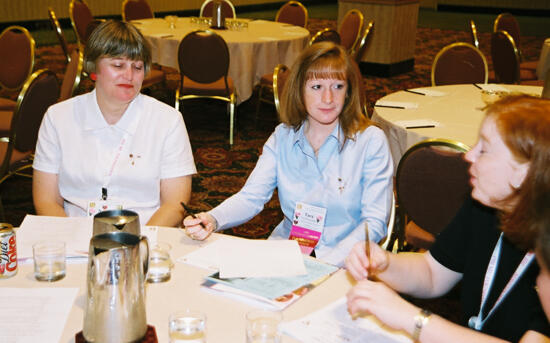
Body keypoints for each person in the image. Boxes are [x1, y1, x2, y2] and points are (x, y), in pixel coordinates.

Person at [346, 95, 550, 342]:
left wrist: (412, 319)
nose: (469, 156)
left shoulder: (545, 250)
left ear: (522, 173)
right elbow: (432, 273)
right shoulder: (487, 205)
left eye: (484, 149)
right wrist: (385, 263)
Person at [183, 42, 393, 266]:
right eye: (317, 87)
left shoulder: (370, 141)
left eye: (338, 86)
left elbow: (375, 222)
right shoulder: (283, 137)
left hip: (347, 264)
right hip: (289, 254)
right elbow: (251, 197)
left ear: (349, 92)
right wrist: (213, 218)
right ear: (299, 90)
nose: (329, 98)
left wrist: (325, 265)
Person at [32, 20, 196, 226]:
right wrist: (74, 242)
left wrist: (138, 245)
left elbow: (173, 205)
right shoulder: (58, 118)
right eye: (118, 65)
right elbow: (46, 200)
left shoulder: (168, 121)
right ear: (94, 68)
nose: (129, 76)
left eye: (137, 67)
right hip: (75, 233)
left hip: (148, 234)